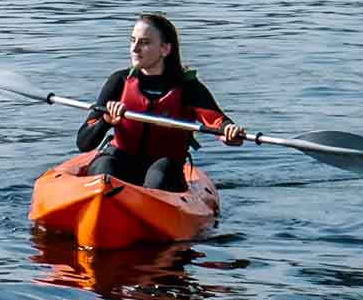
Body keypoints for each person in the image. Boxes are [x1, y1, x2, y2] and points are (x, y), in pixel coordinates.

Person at [73, 13, 246, 192]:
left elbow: (219, 123)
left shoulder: (188, 88)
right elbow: (84, 143)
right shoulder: (119, 82)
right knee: (105, 168)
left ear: (165, 49)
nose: (135, 49)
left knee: (160, 174)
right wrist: (105, 122)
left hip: (164, 168)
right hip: (120, 161)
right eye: (133, 40)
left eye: (145, 43)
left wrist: (229, 132)